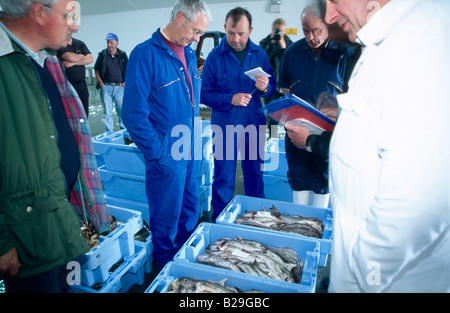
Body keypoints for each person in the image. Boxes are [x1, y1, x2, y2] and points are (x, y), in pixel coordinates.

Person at [323, 0, 450, 292]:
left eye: (334, 0)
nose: (330, 15)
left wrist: (366, 274)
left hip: (383, 281)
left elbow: (420, 200)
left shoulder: (424, 35)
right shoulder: (387, 39)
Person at [0, 0, 110, 293]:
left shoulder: (43, 60)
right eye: (68, 16)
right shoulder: (6, 65)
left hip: (57, 213)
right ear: (38, 12)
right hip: (26, 235)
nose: (74, 25)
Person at [122, 0, 211, 270]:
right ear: (180, 18)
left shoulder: (189, 54)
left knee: (190, 211)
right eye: (195, 31)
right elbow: (133, 114)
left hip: (191, 148)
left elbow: (191, 102)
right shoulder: (145, 54)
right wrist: (159, 154)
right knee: (166, 218)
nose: (197, 38)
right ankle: (165, 272)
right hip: (166, 155)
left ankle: (185, 267)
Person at [201, 7, 276, 221]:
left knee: (255, 175)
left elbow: (272, 88)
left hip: (254, 123)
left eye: (241, 34)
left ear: (250, 30)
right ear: (225, 28)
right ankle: (221, 224)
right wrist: (229, 99)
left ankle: (259, 221)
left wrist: (265, 88)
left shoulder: (260, 54)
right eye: (231, 33)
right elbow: (203, 94)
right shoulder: (215, 58)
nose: (235, 39)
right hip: (225, 125)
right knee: (224, 177)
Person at [278, 3, 354, 208]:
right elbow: (285, 88)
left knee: (322, 180)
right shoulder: (291, 53)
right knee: (299, 179)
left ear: (328, 23)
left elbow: (353, 97)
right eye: (306, 31)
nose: (311, 37)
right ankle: (302, 228)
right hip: (296, 131)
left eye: (316, 30)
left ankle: (316, 227)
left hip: (328, 134)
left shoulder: (345, 53)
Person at [259, 18, 293, 138]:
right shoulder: (265, 43)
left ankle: (288, 142)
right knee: (272, 115)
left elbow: (291, 62)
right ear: (273, 29)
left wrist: (283, 47)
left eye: (282, 30)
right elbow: (262, 60)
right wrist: (272, 45)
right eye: (277, 30)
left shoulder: (289, 43)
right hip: (270, 85)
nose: (280, 33)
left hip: (285, 85)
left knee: (288, 116)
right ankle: (272, 140)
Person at [94, 32, 128, 133]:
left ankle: (124, 131)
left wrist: (126, 82)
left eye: (111, 42)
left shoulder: (122, 55)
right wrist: (101, 84)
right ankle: (109, 133)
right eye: (108, 42)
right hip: (106, 87)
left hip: (119, 88)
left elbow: (129, 69)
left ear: (117, 43)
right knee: (107, 113)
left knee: (121, 111)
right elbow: (96, 70)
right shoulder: (102, 55)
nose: (109, 45)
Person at [57, 35, 93, 117]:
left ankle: (83, 129)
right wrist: (81, 56)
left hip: (82, 84)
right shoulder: (59, 45)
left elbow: (90, 59)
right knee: (71, 111)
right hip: (68, 85)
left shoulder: (80, 43)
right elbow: (67, 61)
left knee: (84, 110)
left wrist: (73, 63)